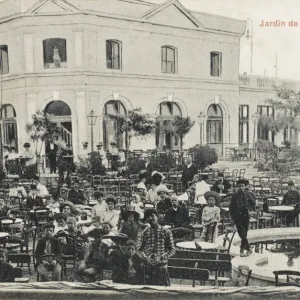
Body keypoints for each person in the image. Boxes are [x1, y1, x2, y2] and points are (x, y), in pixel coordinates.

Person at [136, 209, 175, 286]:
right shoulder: (144, 233)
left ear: (157, 217)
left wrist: (161, 257)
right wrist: (146, 258)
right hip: (147, 268)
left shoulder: (166, 231)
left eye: (152, 216)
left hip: (162, 268)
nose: (150, 218)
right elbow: (139, 250)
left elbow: (172, 250)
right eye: (148, 217)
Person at [229, 179, 256, 257]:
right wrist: (233, 217)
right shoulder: (234, 196)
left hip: (245, 217)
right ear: (237, 187)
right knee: (242, 234)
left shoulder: (247, 194)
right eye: (239, 186)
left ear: (245, 187)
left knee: (244, 234)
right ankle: (248, 248)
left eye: (242, 186)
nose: (241, 188)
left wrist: (250, 209)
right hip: (238, 217)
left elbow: (253, 202)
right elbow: (231, 207)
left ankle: (242, 250)